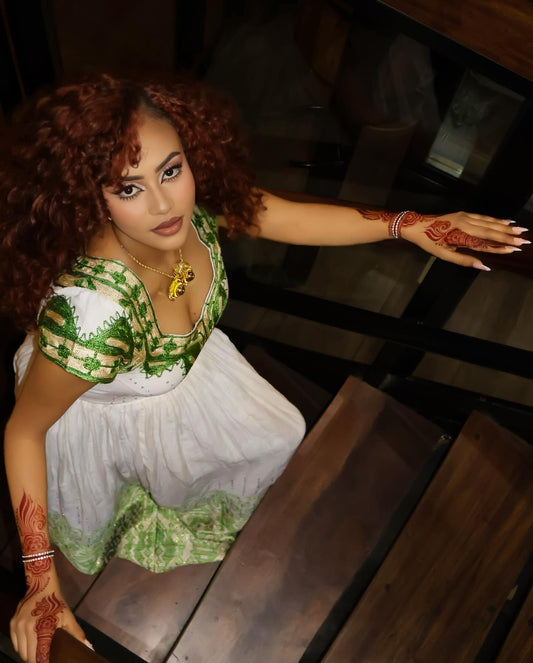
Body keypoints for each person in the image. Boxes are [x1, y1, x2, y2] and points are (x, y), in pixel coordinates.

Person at [0, 73, 525, 663]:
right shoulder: (94, 320)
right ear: (88, 195)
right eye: (128, 187)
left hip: (186, 380)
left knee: (269, 440)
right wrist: (40, 579)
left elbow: (283, 217)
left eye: (171, 170)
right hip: (106, 411)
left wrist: (408, 225)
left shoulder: (193, 212)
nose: (163, 204)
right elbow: (24, 431)